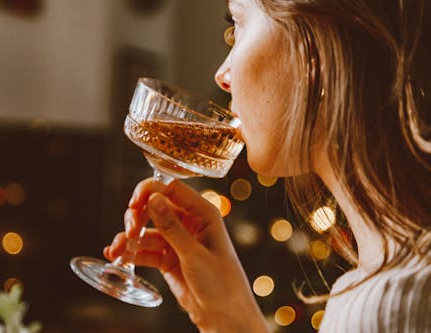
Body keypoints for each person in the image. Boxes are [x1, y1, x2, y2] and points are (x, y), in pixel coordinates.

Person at [104, 0, 431, 332]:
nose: (222, 75)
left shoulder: (390, 306)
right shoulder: (384, 284)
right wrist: (232, 318)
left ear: (314, 52)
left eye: (239, 24)